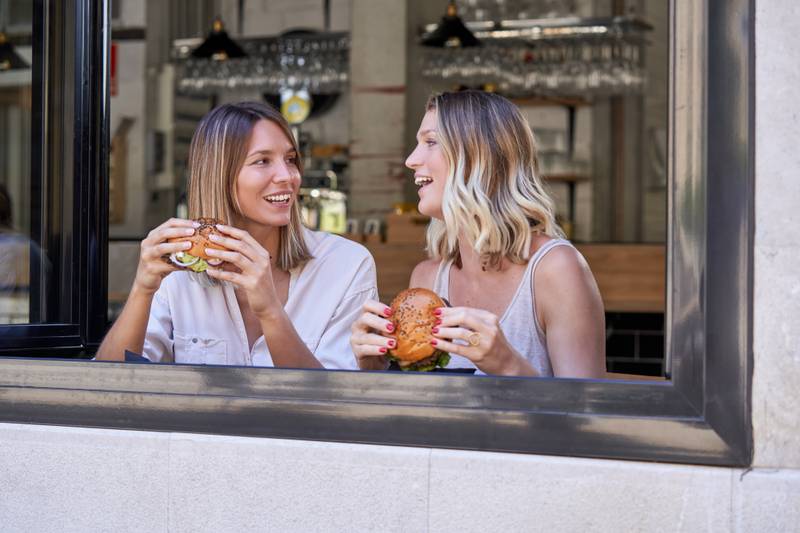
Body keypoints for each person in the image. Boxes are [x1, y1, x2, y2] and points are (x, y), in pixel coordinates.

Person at [96, 102, 377, 368]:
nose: (288, 176)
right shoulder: (178, 271)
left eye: (290, 159)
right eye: (262, 161)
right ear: (219, 175)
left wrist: (270, 312)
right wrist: (142, 289)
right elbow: (108, 384)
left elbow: (334, 396)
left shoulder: (347, 265)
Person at [350, 91, 606, 377]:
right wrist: (376, 369)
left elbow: (585, 403)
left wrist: (507, 364)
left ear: (480, 158)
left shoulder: (555, 269)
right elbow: (423, 398)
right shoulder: (427, 279)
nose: (411, 160)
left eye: (431, 142)